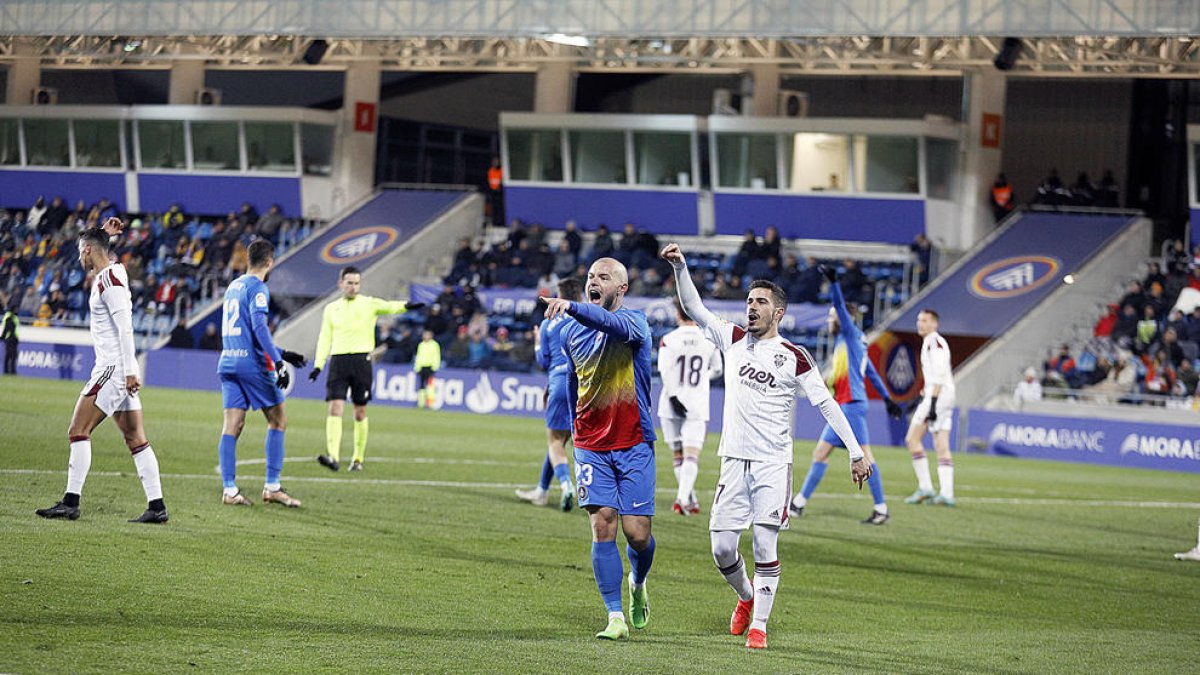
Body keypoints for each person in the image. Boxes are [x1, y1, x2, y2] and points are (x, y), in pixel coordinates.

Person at [661, 243, 871, 650]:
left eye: (761, 302)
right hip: (733, 461)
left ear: (778, 313)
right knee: (722, 548)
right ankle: (746, 596)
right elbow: (695, 306)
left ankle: (759, 625)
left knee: (763, 544)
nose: (752, 307)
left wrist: (857, 452)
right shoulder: (733, 339)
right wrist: (681, 267)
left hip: (774, 464)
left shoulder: (794, 356)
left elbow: (827, 403)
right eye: (749, 301)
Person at [539, 257, 657, 641]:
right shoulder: (568, 333)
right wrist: (575, 425)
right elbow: (574, 381)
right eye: (591, 276)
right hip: (592, 445)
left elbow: (606, 321)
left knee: (637, 534)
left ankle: (637, 583)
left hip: (634, 441)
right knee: (602, 525)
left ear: (621, 289)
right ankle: (614, 616)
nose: (595, 281)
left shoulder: (634, 323)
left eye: (603, 277)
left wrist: (573, 305)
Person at [35, 225, 168, 523]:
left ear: (86, 250)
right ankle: (157, 506)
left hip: (113, 368)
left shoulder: (108, 279)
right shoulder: (111, 272)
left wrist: (131, 371)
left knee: (77, 430)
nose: (78, 258)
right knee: (135, 437)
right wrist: (105, 232)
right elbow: (99, 245)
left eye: (79, 251)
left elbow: (125, 327)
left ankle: (71, 502)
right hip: (119, 369)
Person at [790, 267, 902, 525]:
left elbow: (840, 306)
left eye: (832, 316)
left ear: (844, 319)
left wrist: (835, 283)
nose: (830, 320)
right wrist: (887, 399)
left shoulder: (850, 335)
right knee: (820, 453)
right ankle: (799, 504)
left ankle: (882, 508)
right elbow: (871, 373)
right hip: (847, 405)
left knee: (865, 458)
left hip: (850, 407)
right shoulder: (854, 342)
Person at [215, 239, 308, 507]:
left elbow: (245, 331)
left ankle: (230, 490)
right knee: (278, 420)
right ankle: (272, 487)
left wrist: (282, 352)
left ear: (248, 259)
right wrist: (278, 362)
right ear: (270, 261)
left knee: (232, 425)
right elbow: (258, 327)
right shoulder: (259, 288)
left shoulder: (234, 286)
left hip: (228, 361)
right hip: (251, 365)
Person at [311, 267, 424, 472]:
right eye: (349, 283)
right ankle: (333, 456)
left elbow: (390, 307)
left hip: (362, 362)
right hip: (338, 361)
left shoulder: (369, 304)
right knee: (335, 407)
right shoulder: (331, 309)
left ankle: (357, 458)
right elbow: (325, 337)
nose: (353, 287)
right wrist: (318, 364)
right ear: (341, 284)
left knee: (359, 411)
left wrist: (408, 306)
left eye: (356, 283)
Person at [516, 278, 583, 511]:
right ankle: (542, 491)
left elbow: (543, 361)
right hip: (586, 386)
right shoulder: (590, 317)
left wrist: (536, 343)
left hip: (559, 381)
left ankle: (567, 487)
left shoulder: (549, 322)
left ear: (559, 295)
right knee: (564, 442)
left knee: (555, 441)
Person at [656, 300, 722, 516]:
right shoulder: (708, 339)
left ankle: (684, 499)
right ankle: (687, 498)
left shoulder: (669, 339)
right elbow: (718, 369)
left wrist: (674, 396)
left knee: (678, 456)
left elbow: (664, 371)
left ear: (677, 315)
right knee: (691, 456)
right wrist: (704, 377)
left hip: (670, 403)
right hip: (696, 403)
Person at [904, 309, 956, 506]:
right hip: (944, 395)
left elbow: (940, 375)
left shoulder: (933, 342)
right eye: (919, 320)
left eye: (925, 320)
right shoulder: (933, 342)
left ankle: (925, 487)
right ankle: (947, 494)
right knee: (941, 444)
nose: (920, 324)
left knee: (912, 439)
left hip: (940, 396)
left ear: (935, 324)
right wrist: (922, 396)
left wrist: (932, 404)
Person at [414, 329, 441, 408]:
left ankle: (430, 403)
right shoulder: (421, 345)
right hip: (422, 367)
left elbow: (436, 356)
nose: (425, 336)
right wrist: (417, 367)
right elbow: (418, 356)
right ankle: (421, 403)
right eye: (424, 335)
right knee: (421, 386)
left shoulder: (434, 345)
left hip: (430, 367)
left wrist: (435, 366)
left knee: (430, 386)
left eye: (427, 335)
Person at [2, 304, 18, 374]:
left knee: (10, 355)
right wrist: (3, 336)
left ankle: (8, 371)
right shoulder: (10, 317)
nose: (17, 310)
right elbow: (6, 328)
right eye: (16, 309)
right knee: (11, 355)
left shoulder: (13, 316)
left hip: (13, 338)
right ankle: (10, 371)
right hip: (10, 338)